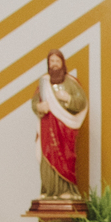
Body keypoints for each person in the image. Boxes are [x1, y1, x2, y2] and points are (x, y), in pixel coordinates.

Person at [31, 49, 88, 199]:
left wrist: (67, 98)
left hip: (66, 129)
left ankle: (66, 190)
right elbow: (35, 102)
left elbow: (82, 102)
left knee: (66, 158)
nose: (55, 64)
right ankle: (48, 190)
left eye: (57, 61)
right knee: (47, 157)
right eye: (52, 61)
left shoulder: (71, 83)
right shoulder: (44, 83)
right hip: (47, 127)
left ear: (62, 63)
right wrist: (39, 107)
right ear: (48, 64)